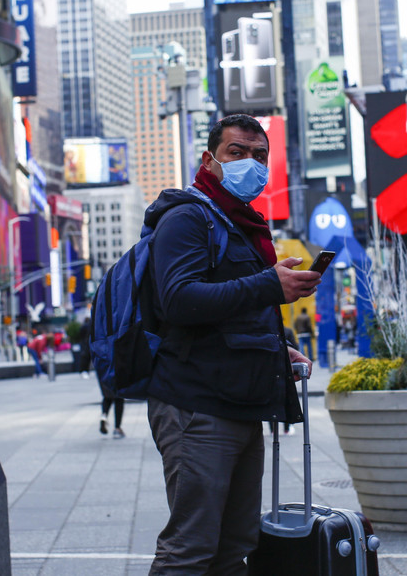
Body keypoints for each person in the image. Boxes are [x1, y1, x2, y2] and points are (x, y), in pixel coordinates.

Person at [145, 114, 320, 574]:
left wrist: (275, 347)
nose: (250, 163)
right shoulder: (187, 217)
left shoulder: (240, 224)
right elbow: (179, 299)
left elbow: (230, 312)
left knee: (233, 547)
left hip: (239, 403)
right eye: (236, 152)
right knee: (190, 548)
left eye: (259, 155)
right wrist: (269, 286)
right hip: (197, 405)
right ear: (210, 159)